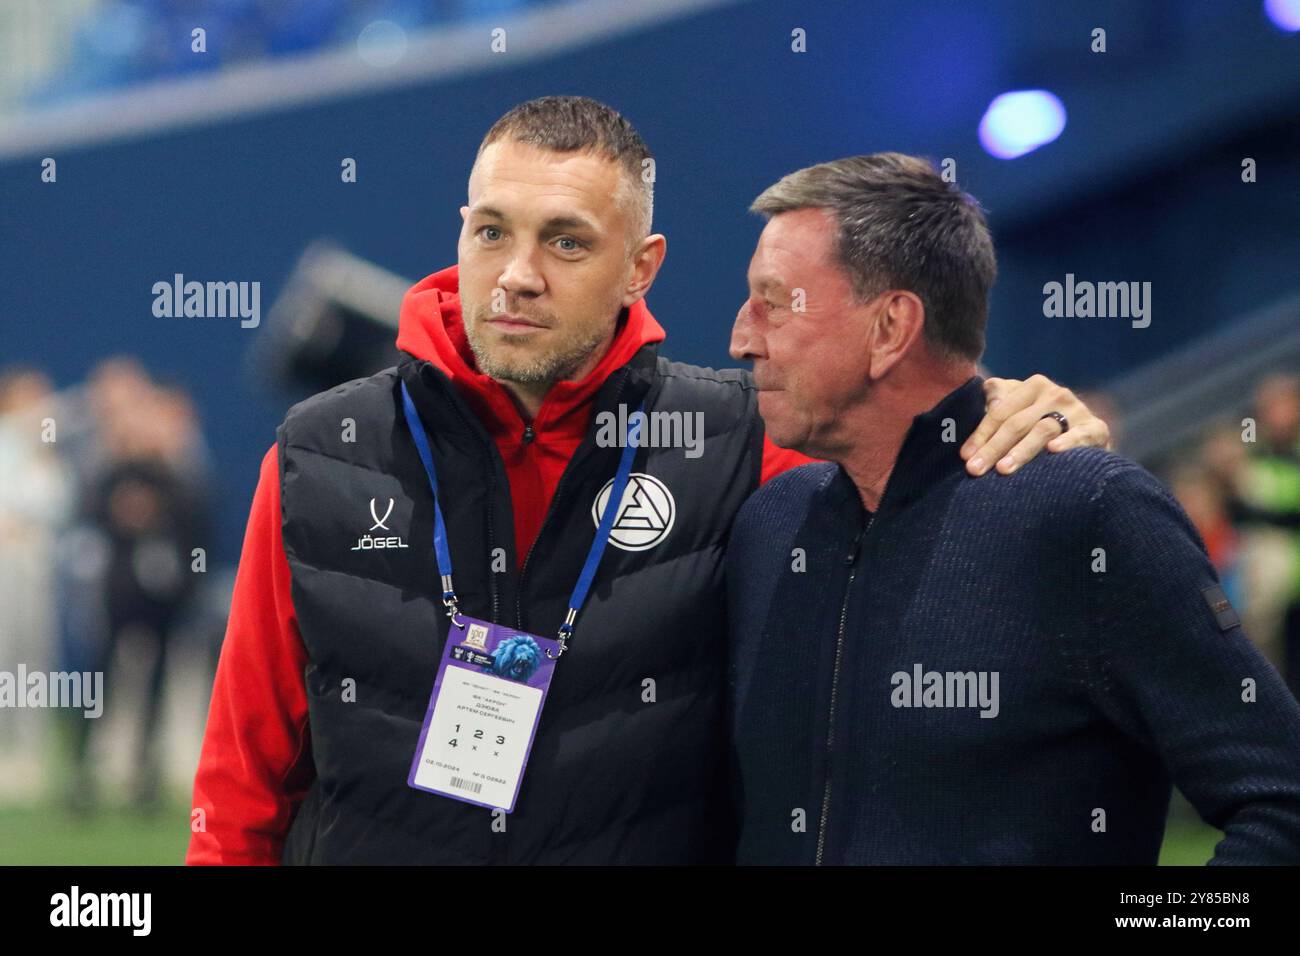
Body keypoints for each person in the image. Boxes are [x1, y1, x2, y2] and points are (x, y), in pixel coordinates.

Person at [187, 97, 1108, 865]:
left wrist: (1042, 417)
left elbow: (934, 447)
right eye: (491, 232)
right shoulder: (321, 451)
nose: (516, 276)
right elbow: (242, 776)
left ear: (641, 268)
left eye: (566, 243)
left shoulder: (745, 444)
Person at [725, 152, 1300, 864]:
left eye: (773, 302)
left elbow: (1283, 803)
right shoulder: (773, 526)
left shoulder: (1088, 514)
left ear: (889, 329)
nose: (742, 337)